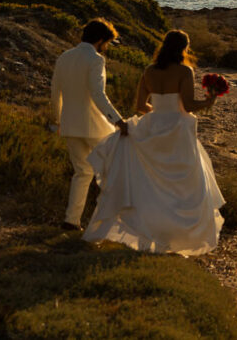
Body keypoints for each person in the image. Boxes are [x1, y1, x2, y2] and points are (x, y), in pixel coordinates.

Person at [83, 29, 225, 255]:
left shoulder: (149, 71)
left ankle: (151, 234)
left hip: (153, 125)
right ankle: (174, 237)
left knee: (150, 185)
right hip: (177, 130)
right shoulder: (184, 71)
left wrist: (158, 114)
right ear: (183, 49)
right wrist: (209, 101)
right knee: (181, 185)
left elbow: (140, 105)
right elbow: (187, 105)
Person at [51, 18, 128, 231]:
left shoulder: (64, 57)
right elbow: (97, 94)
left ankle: (71, 220)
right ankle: (112, 223)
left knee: (82, 173)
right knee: (113, 170)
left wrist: (58, 120)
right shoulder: (95, 59)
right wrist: (118, 120)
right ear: (101, 40)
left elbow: (55, 92)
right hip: (94, 125)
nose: (106, 48)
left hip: (69, 124)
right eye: (107, 43)